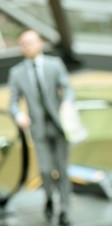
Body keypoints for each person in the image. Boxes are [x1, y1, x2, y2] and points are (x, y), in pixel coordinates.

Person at [8, 29, 73, 226]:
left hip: (59, 126)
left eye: (31, 42)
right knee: (45, 170)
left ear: (40, 43)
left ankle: (65, 209)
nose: (28, 46)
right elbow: (12, 101)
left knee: (62, 169)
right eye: (24, 43)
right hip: (38, 128)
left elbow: (68, 87)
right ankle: (49, 198)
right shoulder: (17, 72)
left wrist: (67, 103)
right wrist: (19, 114)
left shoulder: (55, 65)